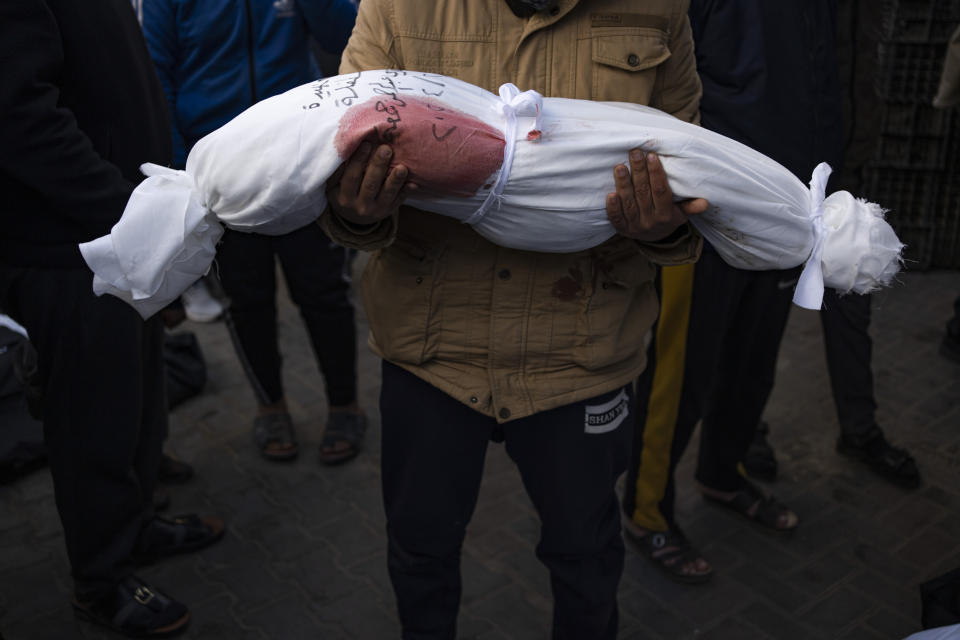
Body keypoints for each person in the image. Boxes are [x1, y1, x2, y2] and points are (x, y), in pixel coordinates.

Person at [321, 0, 707, 637]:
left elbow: (694, 169)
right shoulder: (395, 8)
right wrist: (358, 211)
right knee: (421, 553)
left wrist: (665, 227)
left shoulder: (657, 11)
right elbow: (334, 161)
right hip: (433, 350)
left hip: (581, 356)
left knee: (586, 559)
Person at [0, 1, 224, 637]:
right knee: (91, 424)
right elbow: (19, 117)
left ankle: (137, 525)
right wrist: (122, 209)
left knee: (137, 400)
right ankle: (101, 583)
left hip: (125, 234)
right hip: (70, 250)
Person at [621, 0, 843, 584]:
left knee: (753, 357)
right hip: (712, 202)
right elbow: (668, 77)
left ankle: (723, 471)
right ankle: (647, 511)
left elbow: (821, 75)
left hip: (792, 202)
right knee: (682, 369)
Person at [140, 0, 366, 464]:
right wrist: (185, 168)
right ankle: (271, 406)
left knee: (324, 291)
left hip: (301, 166)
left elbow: (343, 36)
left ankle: (344, 404)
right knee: (246, 301)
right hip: (222, 175)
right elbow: (155, 75)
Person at [743, 0, 922, 490]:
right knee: (765, 315)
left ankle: (860, 430)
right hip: (788, 178)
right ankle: (744, 431)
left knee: (853, 308)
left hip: (849, 170)